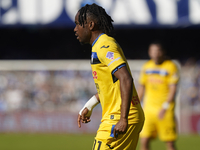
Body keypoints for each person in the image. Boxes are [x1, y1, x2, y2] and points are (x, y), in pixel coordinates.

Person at [74, 3, 144, 150]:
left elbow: (125, 78)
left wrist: (123, 118)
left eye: (78, 24)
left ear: (90, 25)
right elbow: (110, 86)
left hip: (119, 117)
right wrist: (90, 105)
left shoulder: (104, 45)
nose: (75, 29)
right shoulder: (99, 46)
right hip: (124, 115)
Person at [137, 41, 179, 150]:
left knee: (169, 143)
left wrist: (165, 107)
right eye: (153, 51)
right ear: (149, 52)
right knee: (144, 140)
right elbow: (142, 87)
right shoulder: (147, 66)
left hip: (165, 110)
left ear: (162, 52)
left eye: (158, 51)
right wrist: (135, 105)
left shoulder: (170, 66)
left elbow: (173, 89)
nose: (155, 53)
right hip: (148, 110)